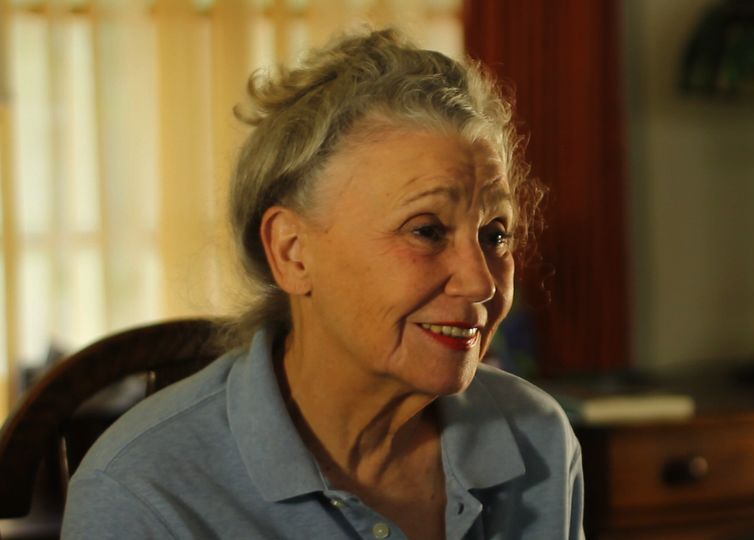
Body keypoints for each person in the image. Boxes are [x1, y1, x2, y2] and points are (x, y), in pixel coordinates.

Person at [62, 28, 583, 539]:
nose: (480, 283)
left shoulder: (536, 437)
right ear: (292, 252)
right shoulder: (142, 493)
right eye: (426, 230)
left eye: (495, 235)